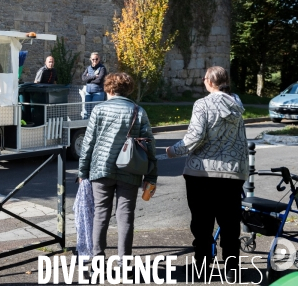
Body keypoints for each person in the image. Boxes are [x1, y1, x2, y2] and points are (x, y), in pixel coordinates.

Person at [166, 66, 248, 282]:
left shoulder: (202, 104)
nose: (203, 82)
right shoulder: (237, 104)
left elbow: (194, 137)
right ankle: (232, 269)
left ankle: (203, 267)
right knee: (230, 223)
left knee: (202, 223)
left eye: (204, 79)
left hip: (202, 172)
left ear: (210, 82)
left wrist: (172, 151)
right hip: (232, 173)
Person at [78, 72, 158, 266]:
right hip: (130, 169)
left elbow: (88, 142)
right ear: (128, 89)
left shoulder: (99, 109)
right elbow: (149, 144)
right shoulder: (138, 111)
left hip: (101, 168)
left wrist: (82, 171)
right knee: (125, 217)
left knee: (100, 214)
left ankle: (97, 260)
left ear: (108, 88)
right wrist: (151, 175)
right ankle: (125, 264)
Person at [81, 53, 107, 119]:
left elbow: (99, 80)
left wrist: (88, 79)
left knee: (95, 112)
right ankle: (85, 127)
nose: (94, 60)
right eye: (93, 59)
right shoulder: (88, 68)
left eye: (96, 59)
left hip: (98, 92)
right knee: (86, 112)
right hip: (88, 92)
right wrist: (94, 76)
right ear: (90, 59)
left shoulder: (102, 68)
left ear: (99, 59)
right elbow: (83, 78)